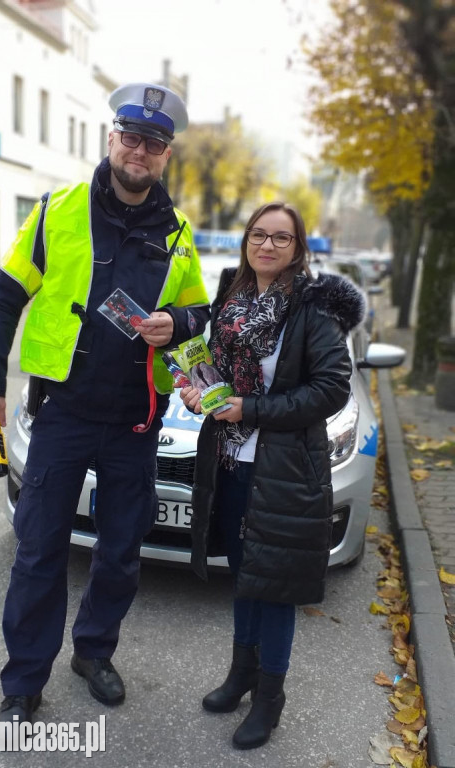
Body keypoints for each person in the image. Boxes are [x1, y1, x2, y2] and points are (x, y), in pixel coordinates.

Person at [0, 82, 210, 723]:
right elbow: (1, 299)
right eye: (131, 137)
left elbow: (198, 314)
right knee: (40, 549)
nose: (140, 151)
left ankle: (94, 651)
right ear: (111, 139)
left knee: (121, 550)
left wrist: (177, 327)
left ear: (165, 156)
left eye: (154, 143)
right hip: (64, 414)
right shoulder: (56, 211)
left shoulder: (179, 234)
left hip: (136, 419)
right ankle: (23, 681)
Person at [180, 202, 365, 750]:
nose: (266, 245)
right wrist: (199, 391)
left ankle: (269, 697)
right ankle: (242, 674)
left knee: (276, 586)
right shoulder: (233, 298)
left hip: (284, 470)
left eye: (280, 239)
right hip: (231, 460)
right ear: (246, 241)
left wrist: (250, 409)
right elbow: (214, 372)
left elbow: (333, 387)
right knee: (245, 574)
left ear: (298, 248)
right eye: (258, 235)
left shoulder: (313, 308)